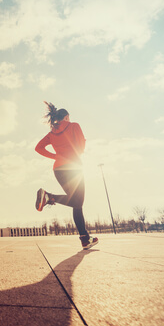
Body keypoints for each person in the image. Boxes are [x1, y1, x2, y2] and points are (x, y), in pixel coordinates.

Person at [35, 101, 98, 250]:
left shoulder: (52, 133)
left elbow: (38, 148)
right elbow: (81, 147)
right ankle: (50, 197)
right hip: (74, 168)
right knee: (78, 202)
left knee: (76, 203)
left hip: (58, 170)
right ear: (67, 117)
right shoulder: (74, 125)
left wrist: (56, 156)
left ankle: (85, 239)